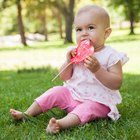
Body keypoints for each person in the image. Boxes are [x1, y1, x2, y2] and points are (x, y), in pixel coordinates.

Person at [10, 5, 128, 134]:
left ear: (106, 33)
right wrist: (69, 62)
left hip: (98, 102)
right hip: (73, 96)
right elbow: (64, 77)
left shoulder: (111, 56)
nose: (84, 33)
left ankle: (60, 124)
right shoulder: (74, 52)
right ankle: (27, 114)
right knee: (56, 91)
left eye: (91, 28)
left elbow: (116, 83)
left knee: (87, 108)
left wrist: (97, 69)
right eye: (78, 29)